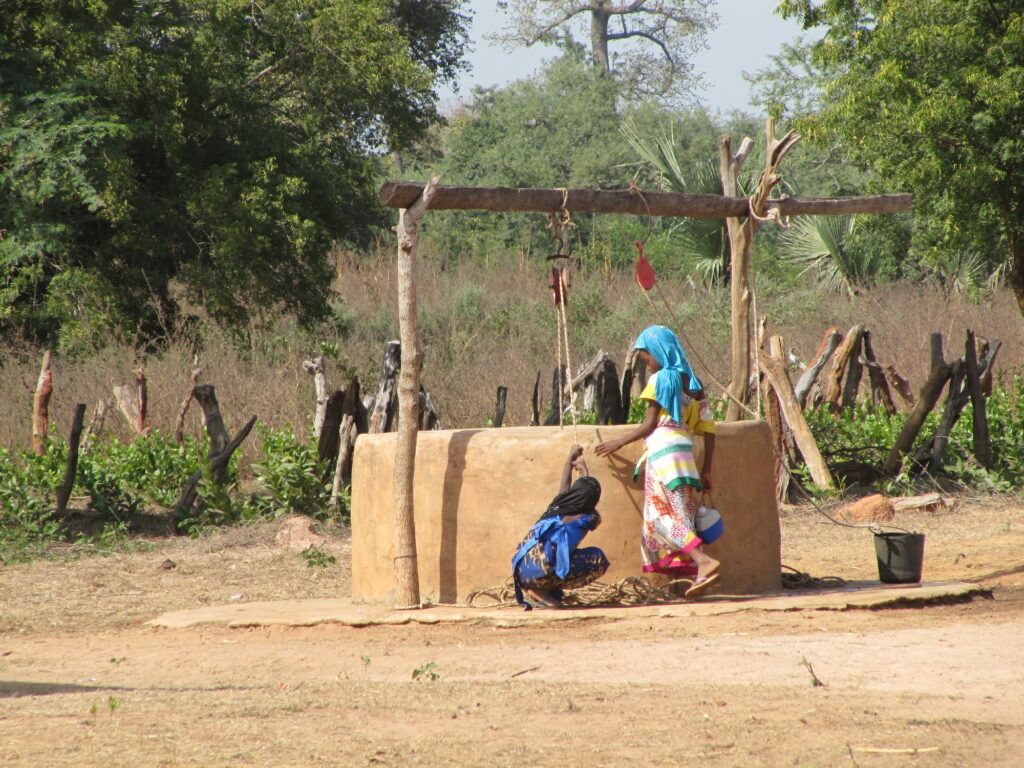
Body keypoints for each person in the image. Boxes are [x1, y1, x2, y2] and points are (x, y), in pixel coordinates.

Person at [595, 325, 721, 598]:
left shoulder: (661, 379)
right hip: (685, 457)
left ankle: (703, 561)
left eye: (647, 358)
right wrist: (707, 469)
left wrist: (618, 442)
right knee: (682, 517)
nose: (648, 365)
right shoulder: (695, 385)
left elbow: (649, 424)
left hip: (662, 454)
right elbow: (709, 429)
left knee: (657, 518)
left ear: (660, 351)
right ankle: (685, 583)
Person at [511, 445, 609, 610]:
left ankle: (539, 589)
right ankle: (539, 590)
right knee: (598, 559)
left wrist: (570, 458)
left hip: (520, 569)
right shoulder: (587, 519)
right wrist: (585, 472)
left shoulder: (555, 507)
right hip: (540, 571)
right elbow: (590, 507)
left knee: (558, 553)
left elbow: (564, 487)